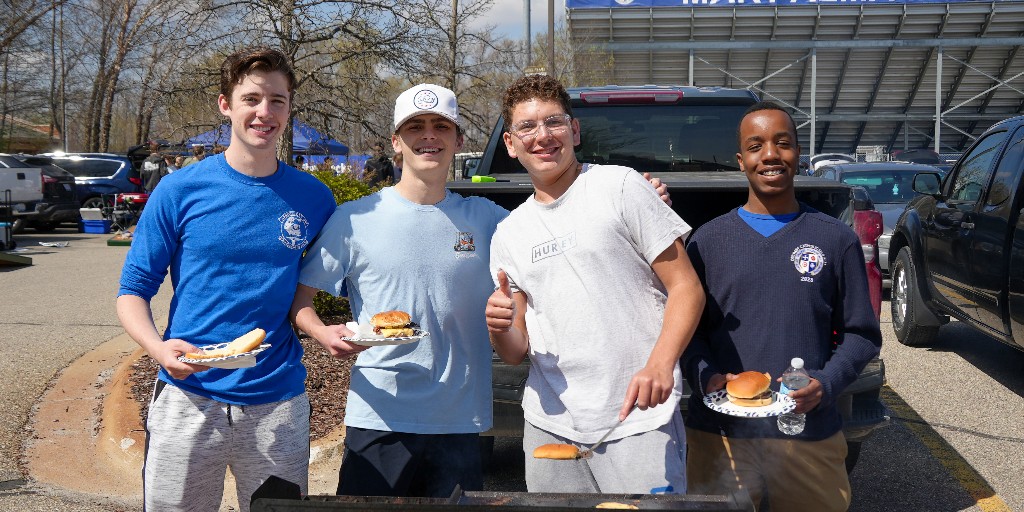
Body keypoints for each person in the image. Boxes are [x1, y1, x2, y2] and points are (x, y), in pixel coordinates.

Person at [290, 83, 674, 498]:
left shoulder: (490, 220)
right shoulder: (354, 218)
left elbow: (556, 224)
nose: (429, 136)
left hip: (461, 419)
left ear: (457, 139)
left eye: (441, 126)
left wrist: (644, 197)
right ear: (396, 142)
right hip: (380, 416)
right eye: (415, 127)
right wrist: (324, 332)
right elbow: (302, 302)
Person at [116, 46, 336, 512]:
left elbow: (304, 296)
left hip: (277, 401)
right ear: (225, 106)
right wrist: (159, 350)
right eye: (252, 99)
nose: (265, 112)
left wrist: (323, 328)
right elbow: (132, 291)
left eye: (277, 100)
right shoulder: (180, 190)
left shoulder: (314, 198)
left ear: (290, 107)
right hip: (188, 396)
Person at [484, 74, 705, 495]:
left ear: (575, 131)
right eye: (527, 127)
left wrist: (661, 363)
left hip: (638, 417)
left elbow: (686, 287)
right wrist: (499, 328)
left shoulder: (619, 186)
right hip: (549, 424)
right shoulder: (509, 232)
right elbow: (516, 352)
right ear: (511, 144)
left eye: (554, 122)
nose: (543, 136)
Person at [681, 101, 882, 511]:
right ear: (741, 161)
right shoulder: (707, 242)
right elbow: (686, 334)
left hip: (808, 434)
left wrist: (825, 385)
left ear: (798, 155)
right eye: (756, 146)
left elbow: (861, 335)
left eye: (782, 143)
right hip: (719, 437)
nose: (770, 154)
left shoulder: (833, 239)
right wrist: (706, 378)